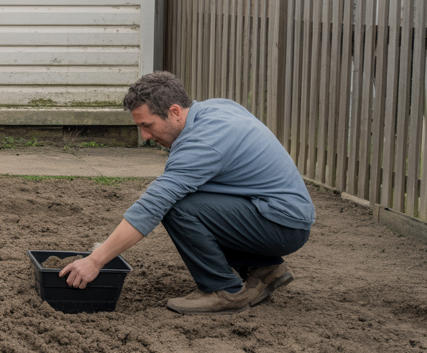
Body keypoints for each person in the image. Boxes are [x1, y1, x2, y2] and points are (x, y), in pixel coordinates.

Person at [60, 71, 315, 315]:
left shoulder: (203, 143)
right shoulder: (213, 108)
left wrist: (95, 260)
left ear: (174, 112)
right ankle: (264, 267)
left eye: (147, 125)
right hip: (276, 213)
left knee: (176, 206)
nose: (145, 136)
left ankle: (224, 291)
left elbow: (154, 204)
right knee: (181, 199)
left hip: (282, 225)